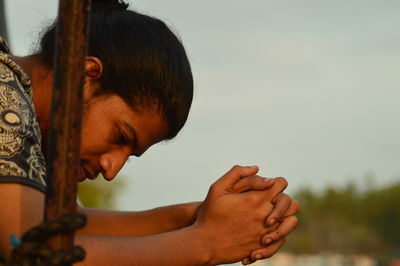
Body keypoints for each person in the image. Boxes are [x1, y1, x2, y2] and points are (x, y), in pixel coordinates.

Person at [0, 1, 299, 265]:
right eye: (120, 136)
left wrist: (199, 216)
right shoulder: (4, 94)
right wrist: (207, 243)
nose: (111, 170)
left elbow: (69, 225)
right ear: (85, 76)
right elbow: (38, 250)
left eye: (129, 156)